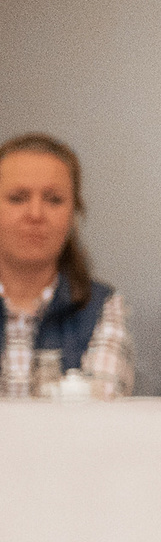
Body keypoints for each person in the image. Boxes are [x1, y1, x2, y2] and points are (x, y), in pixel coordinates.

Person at [1, 134, 131, 399]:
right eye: (17, 198)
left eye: (53, 199)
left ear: (74, 213)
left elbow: (95, 420)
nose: (35, 214)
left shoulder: (103, 308)